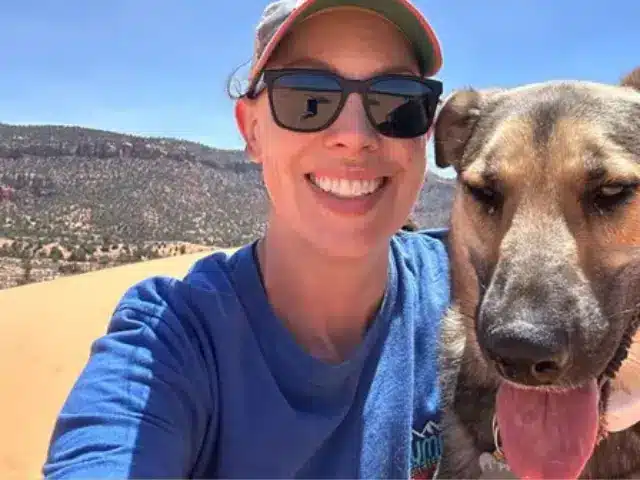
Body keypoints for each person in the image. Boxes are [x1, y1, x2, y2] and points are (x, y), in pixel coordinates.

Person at [42, 0, 450, 478]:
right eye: (308, 99)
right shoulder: (173, 342)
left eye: (398, 102)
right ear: (251, 129)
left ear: (425, 136)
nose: (355, 135)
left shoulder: (470, 286)